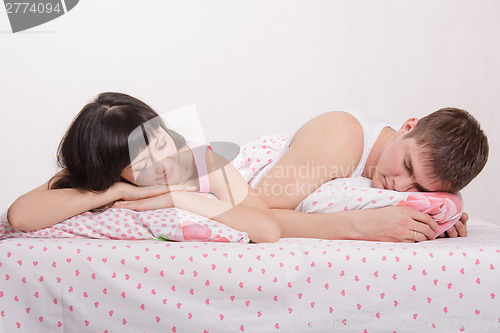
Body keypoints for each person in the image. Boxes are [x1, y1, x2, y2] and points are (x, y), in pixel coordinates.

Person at [7, 92, 281, 243]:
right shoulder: (102, 172)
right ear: (112, 171)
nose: (162, 165)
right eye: (141, 165)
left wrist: (179, 198)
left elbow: (268, 230)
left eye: (162, 146)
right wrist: (116, 192)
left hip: (254, 168)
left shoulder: (200, 161)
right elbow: (19, 217)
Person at [253, 109, 488, 243]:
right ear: (407, 128)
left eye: (421, 189)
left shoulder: (411, 177)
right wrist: (360, 226)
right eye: (407, 165)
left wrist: (435, 221)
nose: (400, 186)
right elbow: (250, 216)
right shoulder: (339, 138)